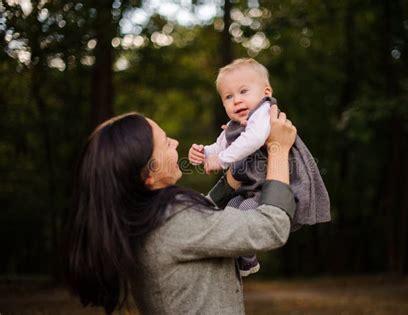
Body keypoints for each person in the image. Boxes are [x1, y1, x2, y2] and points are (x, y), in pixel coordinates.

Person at [64, 105, 297, 314]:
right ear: (149, 174)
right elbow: (271, 227)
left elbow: (202, 220)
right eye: (165, 142)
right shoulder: (174, 222)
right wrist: (278, 148)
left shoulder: (142, 218)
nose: (175, 142)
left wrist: (237, 169)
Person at [188, 58, 331, 277]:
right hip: (252, 187)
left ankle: (246, 257)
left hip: (277, 186)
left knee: (245, 215)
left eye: (243, 91)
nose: (236, 100)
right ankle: (247, 260)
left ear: (265, 92)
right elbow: (220, 145)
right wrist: (204, 153)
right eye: (229, 96)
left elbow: (253, 140)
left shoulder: (264, 113)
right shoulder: (235, 125)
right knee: (231, 210)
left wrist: (223, 159)